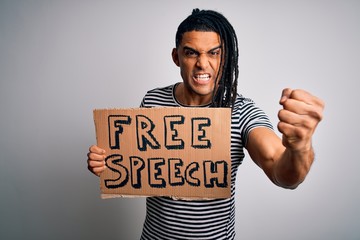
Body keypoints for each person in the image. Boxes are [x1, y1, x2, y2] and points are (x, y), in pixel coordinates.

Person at [87, 8, 324, 240]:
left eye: (214, 53)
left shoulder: (240, 110)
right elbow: (137, 162)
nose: (202, 63)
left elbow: (279, 169)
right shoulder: (152, 101)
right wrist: (107, 162)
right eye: (191, 53)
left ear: (226, 57)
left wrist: (299, 147)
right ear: (176, 57)